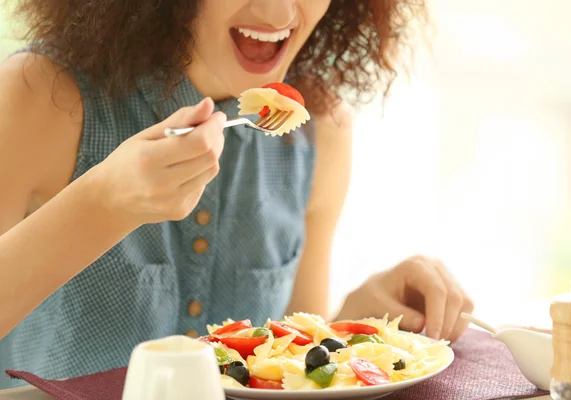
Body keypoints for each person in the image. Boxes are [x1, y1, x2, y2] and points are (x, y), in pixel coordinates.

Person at [0, 0, 474, 389]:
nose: (277, 11)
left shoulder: (319, 131)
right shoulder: (37, 96)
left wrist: (362, 319)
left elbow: (293, 362)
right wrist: (102, 204)